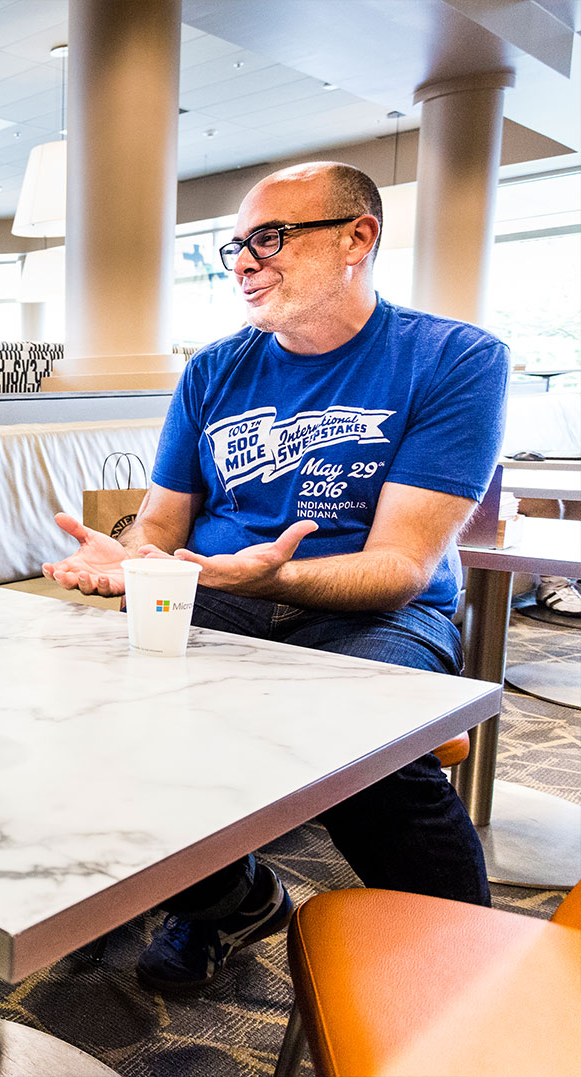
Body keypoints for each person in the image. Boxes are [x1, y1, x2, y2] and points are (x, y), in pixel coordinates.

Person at [43, 161, 506, 993]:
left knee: (358, 739)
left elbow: (399, 569)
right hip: (220, 595)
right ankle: (232, 898)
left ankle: (466, 959)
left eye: (271, 237)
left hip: (376, 618)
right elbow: (161, 520)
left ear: (356, 238)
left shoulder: (453, 358)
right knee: (83, 709)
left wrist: (266, 577)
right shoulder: (212, 370)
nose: (245, 261)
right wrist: (137, 556)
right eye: (235, 247)